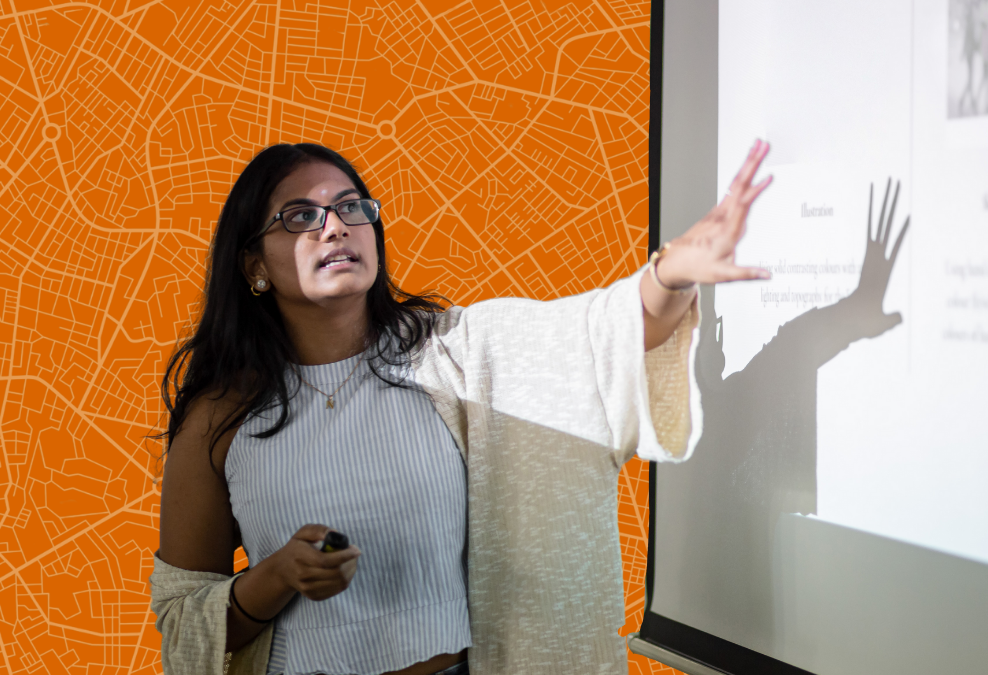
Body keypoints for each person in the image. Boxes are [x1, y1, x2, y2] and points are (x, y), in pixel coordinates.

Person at [150, 140, 774, 675]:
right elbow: (183, 626)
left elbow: (602, 333)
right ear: (255, 265)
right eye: (299, 216)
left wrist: (671, 274)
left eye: (348, 207)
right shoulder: (222, 416)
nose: (334, 226)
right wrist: (276, 576)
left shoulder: (456, 353)